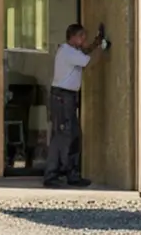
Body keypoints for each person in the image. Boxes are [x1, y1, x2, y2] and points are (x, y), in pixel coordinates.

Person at [43, 23, 104, 188]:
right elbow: (89, 62)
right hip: (63, 97)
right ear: (74, 37)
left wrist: (96, 43)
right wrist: (103, 49)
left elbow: (84, 53)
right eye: (82, 36)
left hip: (65, 97)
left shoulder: (69, 51)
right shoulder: (69, 52)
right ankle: (53, 175)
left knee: (72, 135)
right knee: (63, 136)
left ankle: (71, 173)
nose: (84, 39)